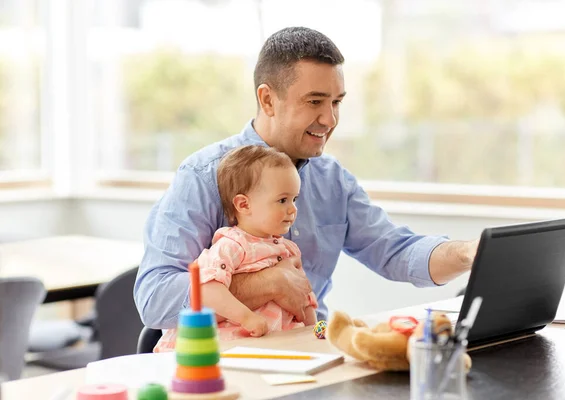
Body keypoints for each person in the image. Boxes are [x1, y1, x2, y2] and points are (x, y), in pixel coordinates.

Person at [134, 26, 478, 330]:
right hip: (225, 364)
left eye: (337, 103)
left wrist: (467, 253)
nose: (329, 119)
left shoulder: (332, 180)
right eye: (315, 101)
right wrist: (265, 283)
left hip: (310, 351)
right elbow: (154, 298)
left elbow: (395, 252)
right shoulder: (203, 176)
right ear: (267, 99)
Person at [153, 145, 317, 351]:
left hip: (273, 347)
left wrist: (316, 330)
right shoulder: (232, 245)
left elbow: (304, 297)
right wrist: (246, 318)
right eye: (282, 200)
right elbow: (207, 288)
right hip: (229, 346)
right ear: (243, 205)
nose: (293, 209)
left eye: (294, 199)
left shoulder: (289, 250)